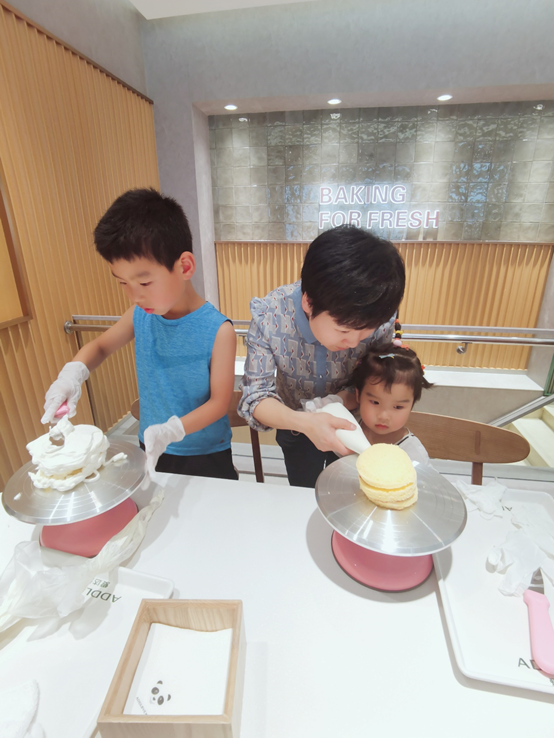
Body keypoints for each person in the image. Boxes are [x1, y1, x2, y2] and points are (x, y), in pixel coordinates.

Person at [41, 188, 238, 480]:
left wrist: (172, 430)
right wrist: (71, 375)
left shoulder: (218, 330)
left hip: (203, 453)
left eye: (144, 283)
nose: (134, 296)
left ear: (184, 266)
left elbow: (219, 403)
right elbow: (101, 347)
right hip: (151, 444)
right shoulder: (140, 315)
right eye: (123, 283)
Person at [238, 225, 406, 487]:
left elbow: (374, 380)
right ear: (308, 302)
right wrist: (306, 421)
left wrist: (338, 400)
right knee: (304, 492)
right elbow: (255, 397)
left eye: (365, 332)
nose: (354, 342)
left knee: (353, 494)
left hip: (356, 427)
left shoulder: (380, 317)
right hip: (295, 426)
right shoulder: (270, 315)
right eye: (344, 330)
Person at [351, 333, 433, 465]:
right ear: (358, 395)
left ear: (412, 404)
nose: (383, 416)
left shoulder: (413, 455)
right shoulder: (348, 429)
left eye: (398, 407)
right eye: (375, 402)